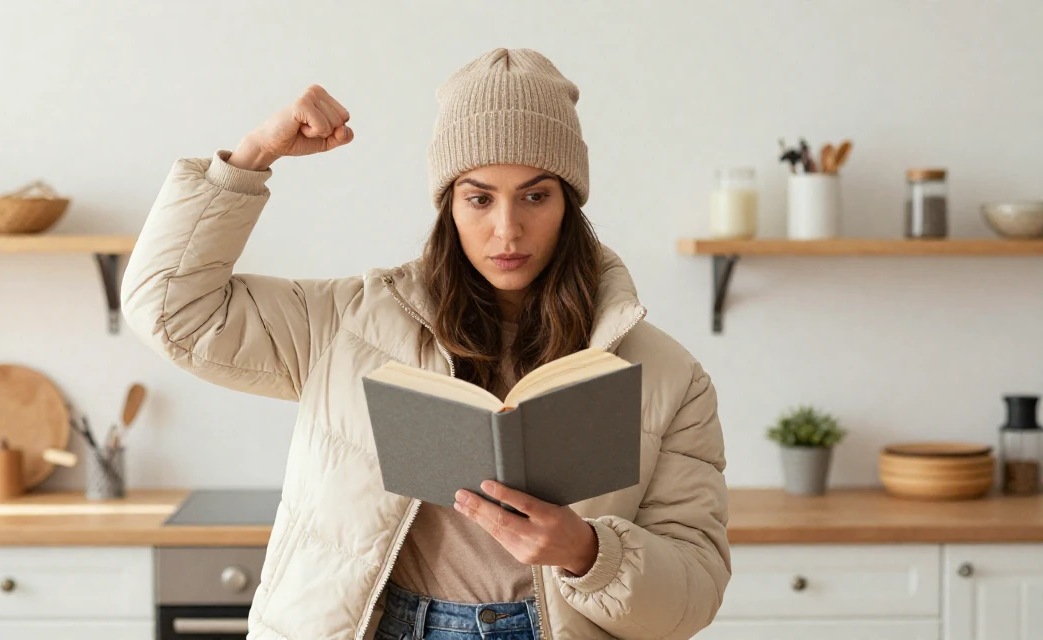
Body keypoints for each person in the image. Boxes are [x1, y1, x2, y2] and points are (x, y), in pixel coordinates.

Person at [121, 47, 729, 640]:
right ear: (449, 205)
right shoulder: (346, 324)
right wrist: (254, 155)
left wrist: (588, 553)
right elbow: (173, 311)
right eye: (480, 198)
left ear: (570, 203)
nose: (507, 229)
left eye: (536, 195)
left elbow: (694, 592)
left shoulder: (668, 376)